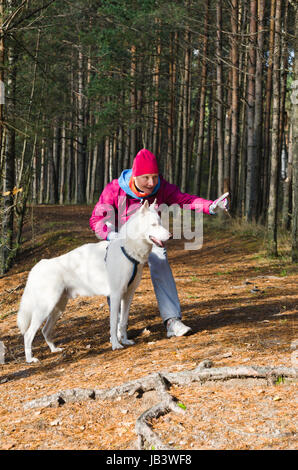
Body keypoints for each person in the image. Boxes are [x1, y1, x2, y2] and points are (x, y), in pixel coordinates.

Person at [89, 148, 229, 338]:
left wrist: (210, 206)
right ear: (135, 175)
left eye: (155, 177)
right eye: (146, 177)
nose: (151, 182)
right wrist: (110, 235)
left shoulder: (161, 188)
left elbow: (185, 200)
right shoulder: (115, 189)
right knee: (117, 272)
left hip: (150, 238)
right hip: (120, 240)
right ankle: (119, 324)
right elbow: (96, 220)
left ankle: (172, 321)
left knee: (160, 260)